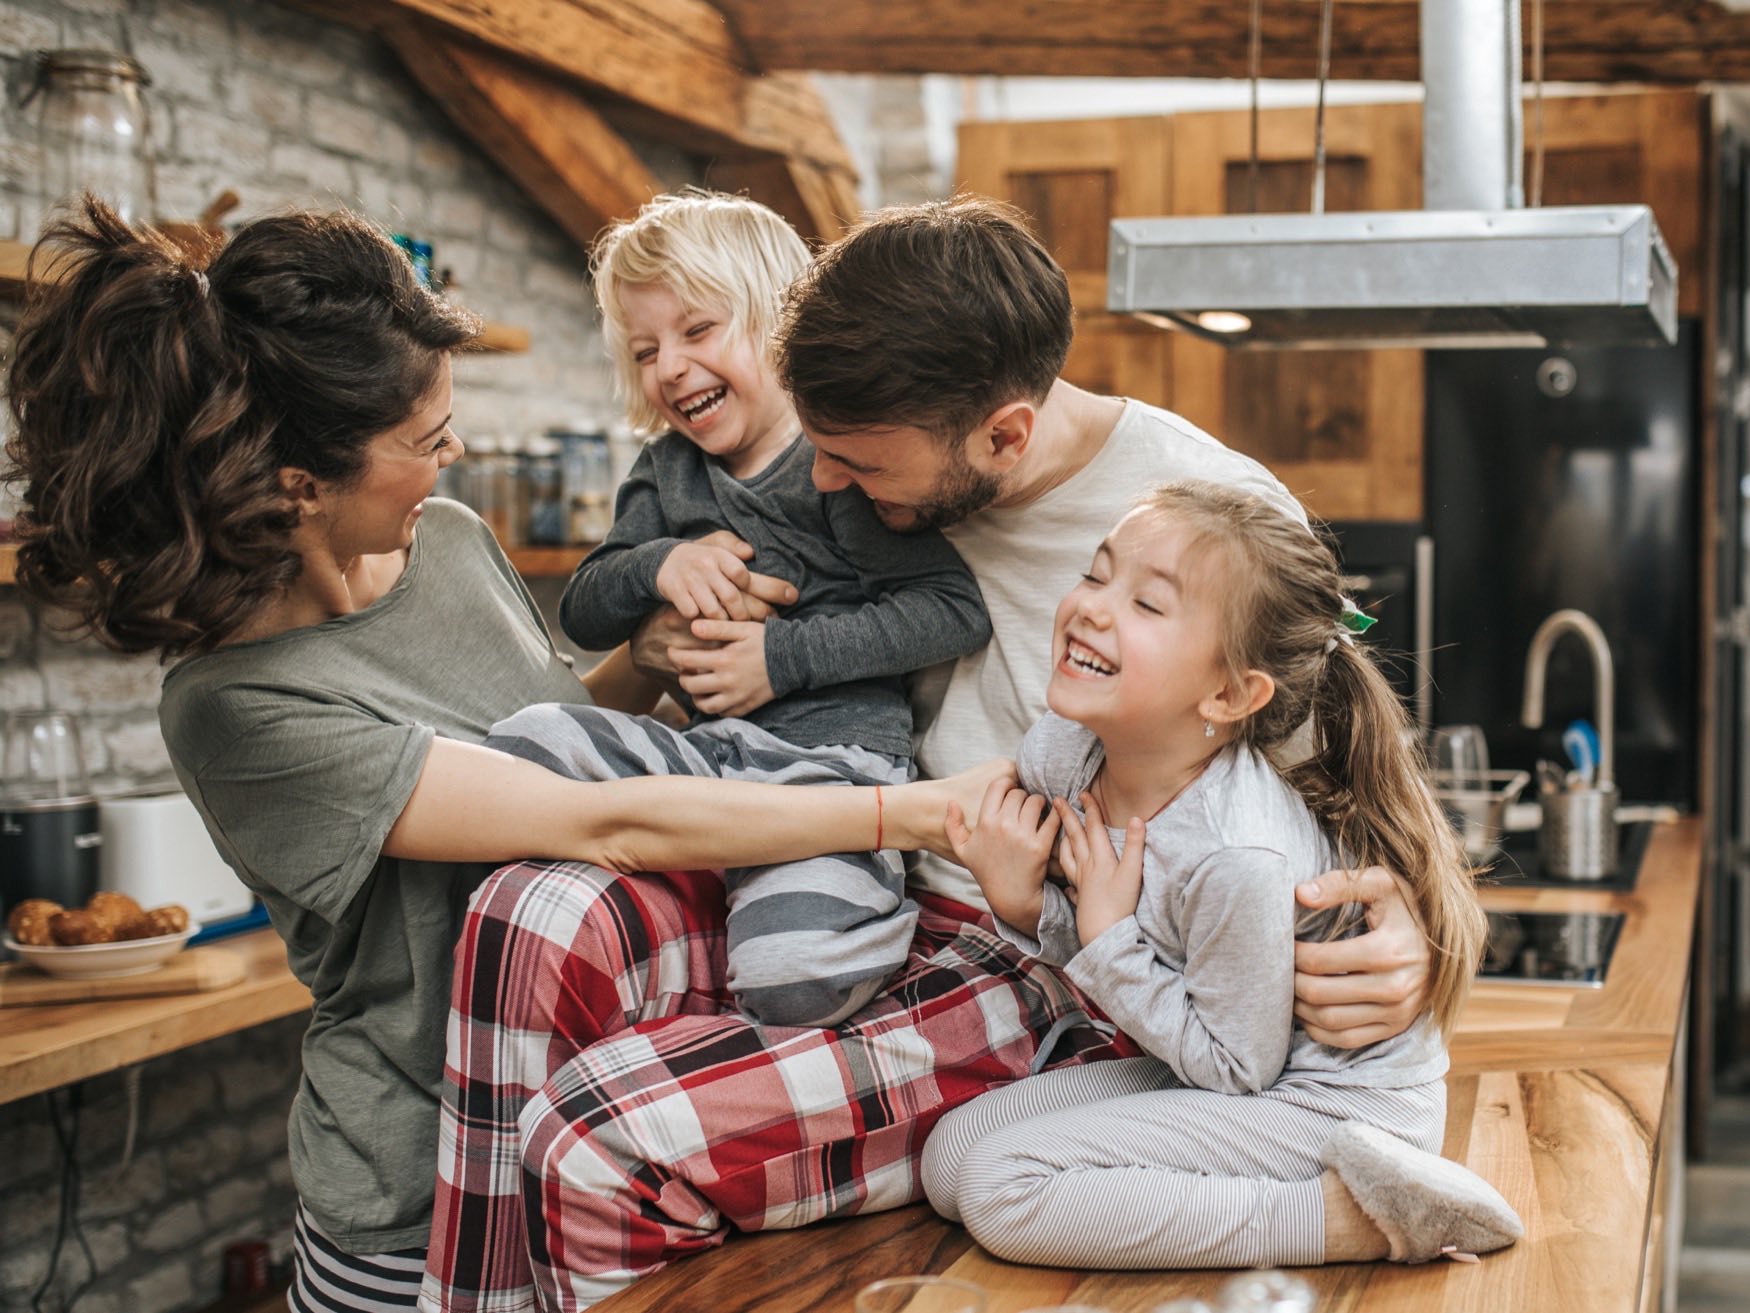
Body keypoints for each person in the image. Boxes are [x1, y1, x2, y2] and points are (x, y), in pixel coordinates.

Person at [425, 198, 1435, 1312]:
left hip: (1030, 952)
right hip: (835, 853)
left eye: (853, 464)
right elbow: (672, 633)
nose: (820, 488)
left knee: (593, 1138)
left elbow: (1341, 793)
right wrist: (660, 637)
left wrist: (1406, 928)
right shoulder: (869, 427)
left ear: (1003, 435)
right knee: (532, 913)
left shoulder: (1200, 524)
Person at [0, 197, 1004, 1313]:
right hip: (416, 1194)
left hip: (583, 1111)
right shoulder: (238, 707)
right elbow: (595, 818)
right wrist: (906, 813)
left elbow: (552, 727)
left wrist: (653, 653)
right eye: (428, 441)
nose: (457, 453)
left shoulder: (450, 541)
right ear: (300, 484)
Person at [921, 482, 1522, 1268]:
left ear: (1230, 693)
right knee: (950, 1158)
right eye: (1098, 575)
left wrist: (1104, 940)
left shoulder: (1234, 852)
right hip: (1210, 1067)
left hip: (1333, 1107)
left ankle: (1351, 1219)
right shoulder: (1063, 749)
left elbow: (1239, 1067)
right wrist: (1026, 905)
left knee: (1002, 1185)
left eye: (1148, 604)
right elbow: (1122, 954)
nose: (1094, 607)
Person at [499, 191, 992, 1027]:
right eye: (647, 349)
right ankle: (717, 886)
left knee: (790, 978)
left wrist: (780, 658)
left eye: (698, 331)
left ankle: (864, 911)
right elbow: (585, 609)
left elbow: (950, 609)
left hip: (829, 774)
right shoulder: (668, 472)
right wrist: (660, 562)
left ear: (779, 325)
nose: (671, 368)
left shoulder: (830, 465)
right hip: (707, 759)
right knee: (521, 745)